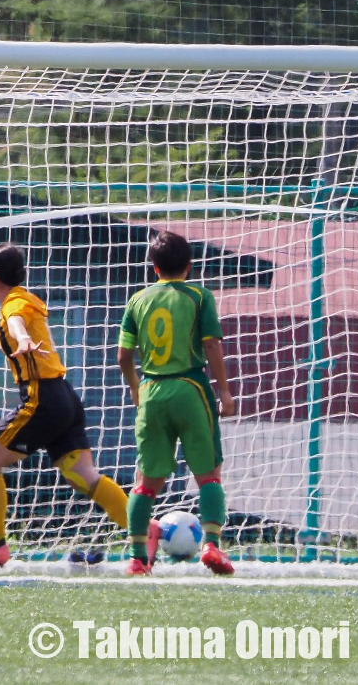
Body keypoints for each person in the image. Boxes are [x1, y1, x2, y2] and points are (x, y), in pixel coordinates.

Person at [0, 243, 130, 566]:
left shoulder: (13, 304)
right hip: (65, 397)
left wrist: (21, 338)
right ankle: (146, 530)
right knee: (84, 476)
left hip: (42, 400)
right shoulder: (24, 297)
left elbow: (16, 321)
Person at [117, 230, 236, 576]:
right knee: (209, 476)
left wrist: (135, 388)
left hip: (152, 390)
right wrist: (224, 392)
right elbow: (211, 345)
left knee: (145, 481)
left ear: (154, 268)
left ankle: (137, 558)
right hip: (190, 386)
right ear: (189, 265)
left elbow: (123, 355)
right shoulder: (199, 296)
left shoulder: (137, 300)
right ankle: (211, 545)